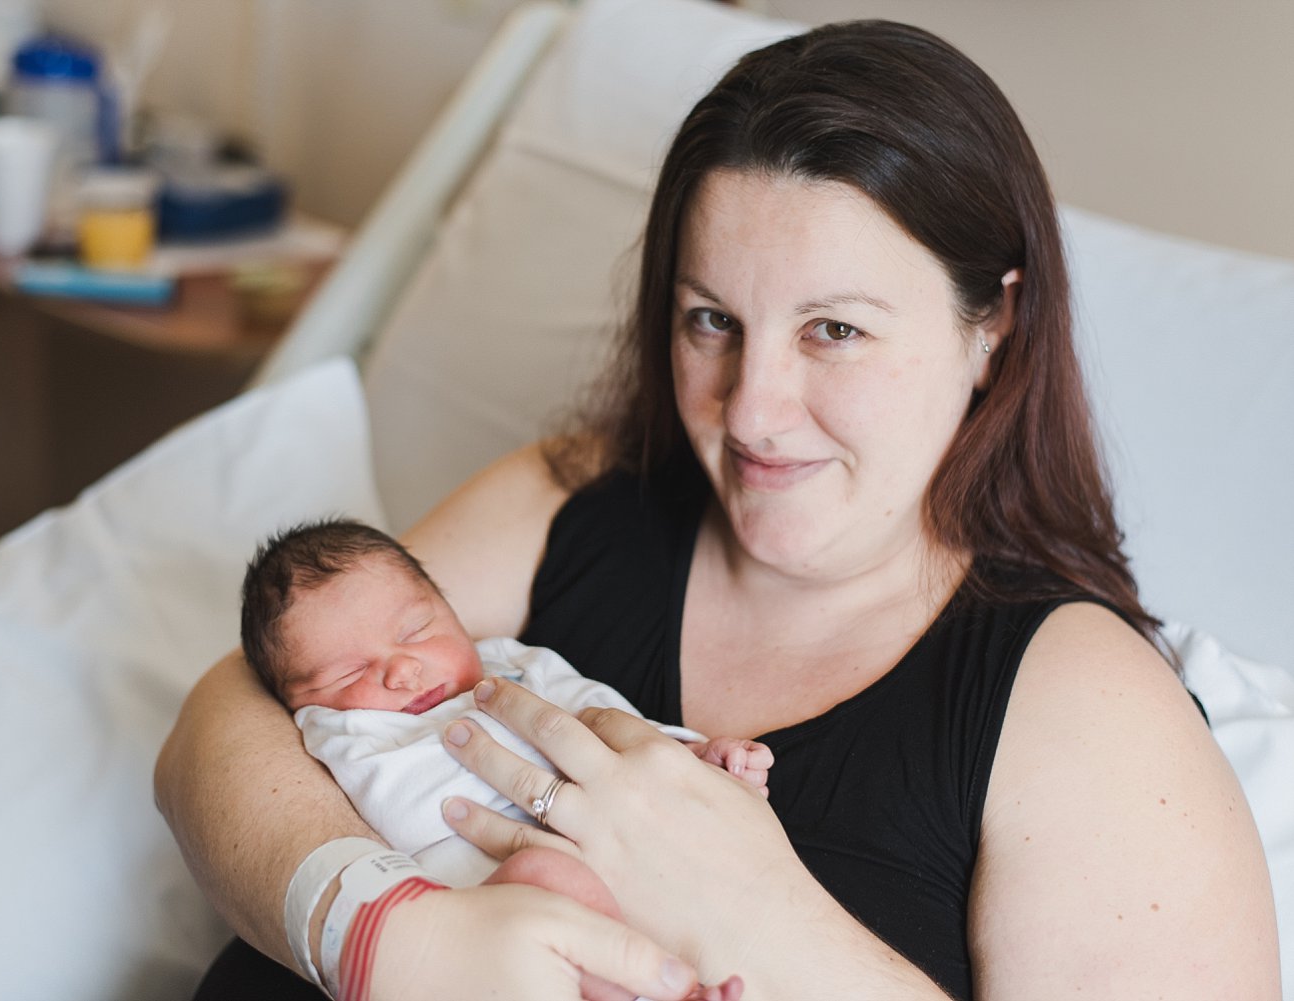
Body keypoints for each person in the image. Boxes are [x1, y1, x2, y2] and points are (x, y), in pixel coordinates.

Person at [156, 18, 1281, 1001]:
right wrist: (383, 940)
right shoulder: (574, 496)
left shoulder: (1084, 699)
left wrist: (758, 910)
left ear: (992, 327)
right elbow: (227, 716)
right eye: (710, 320)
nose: (752, 411)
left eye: (833, 328)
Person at [238, 518, 763, 1001]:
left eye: (417, 630)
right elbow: (408, 808)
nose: (402, 671)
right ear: (299, 703)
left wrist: (687, 753)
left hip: (613, 867)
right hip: (489, 917)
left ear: (452, 612)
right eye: (348, 674)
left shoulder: (514, 663)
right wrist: (540, 739)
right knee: (548, 875)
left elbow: (605, 715)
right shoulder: (338, 729)